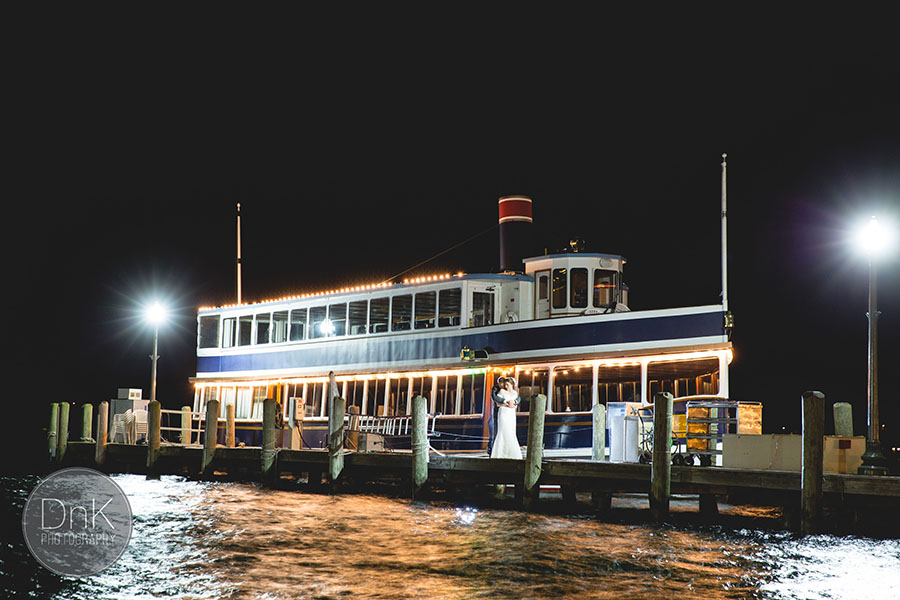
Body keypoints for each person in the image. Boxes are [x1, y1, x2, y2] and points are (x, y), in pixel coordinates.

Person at [490, 377, 522, 459]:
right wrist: (507, 404)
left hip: (511, 414)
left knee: (511, 432)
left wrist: (514, 404)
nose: (506, 386)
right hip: (503, 413)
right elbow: (497, 402)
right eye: (505, 385)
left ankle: (511, 453)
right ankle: (500, 453)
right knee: (503, 431)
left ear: (512, 385)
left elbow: (517, 402)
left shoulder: (515, 393)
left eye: (507, 385)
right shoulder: (501, 391)